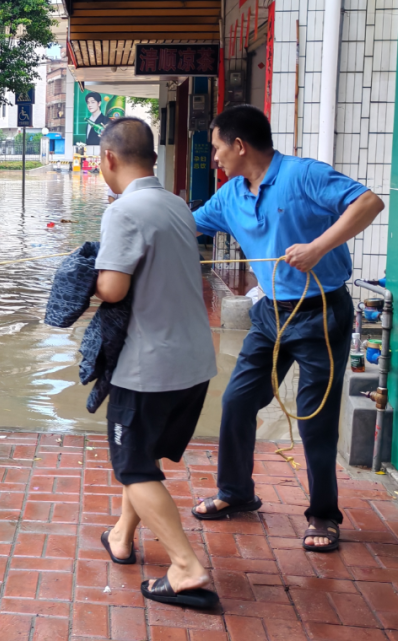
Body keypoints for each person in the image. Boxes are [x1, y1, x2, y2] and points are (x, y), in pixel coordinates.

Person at [191, 105, 384, 552]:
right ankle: (236, 492)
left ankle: (323, 515)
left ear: (240, 146)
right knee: (237, 401)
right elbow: (188, 223)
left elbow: (370, 202)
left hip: (322, 312)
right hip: (270, 315)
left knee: (315, 419)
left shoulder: (304, 175)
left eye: (218, 147)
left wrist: (318, 247)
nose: (215, 157)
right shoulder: (231, 195)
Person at [93, 118, 219, 608]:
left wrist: (87, 273)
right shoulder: (175, 205)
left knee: (132, 467)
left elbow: (112, 288)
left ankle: (187, 567)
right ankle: (123, 536)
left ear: (109, 159)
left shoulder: (124, 211)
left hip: (149, 368)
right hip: (193, 362)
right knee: (141, 459)